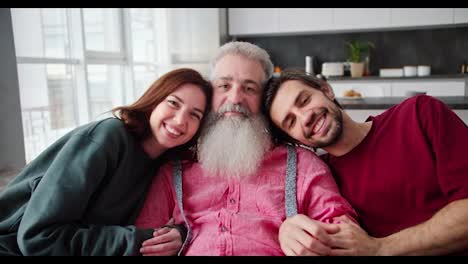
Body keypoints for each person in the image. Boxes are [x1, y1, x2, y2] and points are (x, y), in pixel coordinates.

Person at [134, 41, 357, 256]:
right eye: (224, 86)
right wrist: (177, 235)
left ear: (264, 99)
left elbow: (347, 235)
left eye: (249, 88)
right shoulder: (173, 170)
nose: (235, 98)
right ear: (210, 93)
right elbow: (143, 239)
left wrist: (305, 235)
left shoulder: (302, 165)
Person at [0, 68, 212, 256]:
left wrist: (178, 234)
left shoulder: (167, 167)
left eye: (194, 115)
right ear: (154, 100)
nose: (180, 120)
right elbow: (38, 237)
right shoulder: (108, 137)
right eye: (173, 103)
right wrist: (139, 240)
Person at [263, 68, 468, 255]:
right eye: (291, 122)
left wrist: (380, 248)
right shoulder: (319, 180)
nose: (304, 117)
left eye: (304, 100)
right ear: (295, 140)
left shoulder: (419, 114)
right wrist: (286, 231)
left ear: (327, 91)